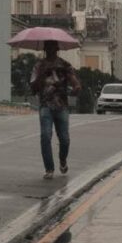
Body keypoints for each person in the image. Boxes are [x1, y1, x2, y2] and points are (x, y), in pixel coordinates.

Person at [29, 40, 81, 179]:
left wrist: (76, 87)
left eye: (53, 48)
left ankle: (62, 160)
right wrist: (41, 75)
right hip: (45, 105)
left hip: (61, 106)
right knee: (45, 136)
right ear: (45, 49)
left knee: (64, 139)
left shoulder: (64, 65)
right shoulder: (39, 66)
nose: (51, 50)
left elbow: (74, 81)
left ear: (57, 49)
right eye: (48, 48)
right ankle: (49, 168)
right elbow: (33, 87)